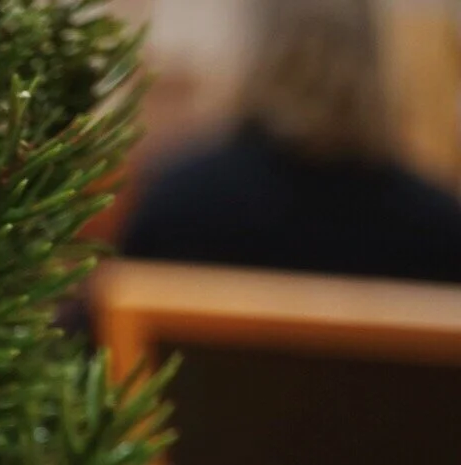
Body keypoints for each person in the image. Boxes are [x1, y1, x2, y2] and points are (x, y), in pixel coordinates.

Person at [120, 0, 461, 283]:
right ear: (379, 61)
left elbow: (100, 344)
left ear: (257, 53)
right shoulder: (442, 233)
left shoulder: (178, 206)